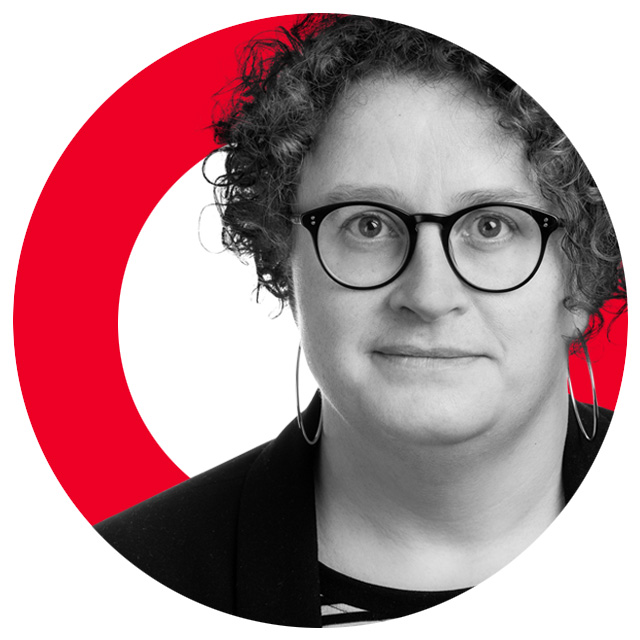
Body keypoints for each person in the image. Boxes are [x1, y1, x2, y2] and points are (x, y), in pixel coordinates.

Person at [96, 14, 625, 627]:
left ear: (582, 275)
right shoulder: (115, 586)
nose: (429, 294)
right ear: (282, 257)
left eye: (492, 226)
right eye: (368, 225)